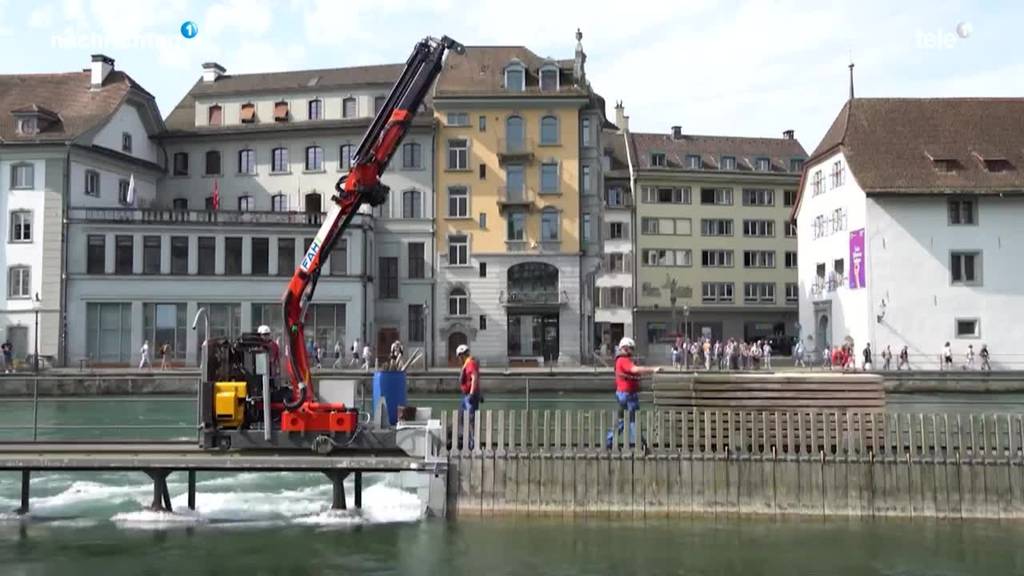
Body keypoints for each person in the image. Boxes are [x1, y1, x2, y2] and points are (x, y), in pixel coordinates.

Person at [606, 337, 660, 449]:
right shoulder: (623, 360)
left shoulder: (620, 360)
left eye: (631, 349)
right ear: (624, 348)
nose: (630, 351)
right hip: (628, 395)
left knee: (623, 420)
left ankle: (609, 441)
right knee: (633, 420)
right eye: (629, 348)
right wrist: (653, 369)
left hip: (622, 394)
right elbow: (634, 370)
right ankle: (641, 445)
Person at [456, 344, 481, 449]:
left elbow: (474, 377)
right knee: (461, 416)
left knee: (471, 420)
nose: (459, 359)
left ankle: (473, 444)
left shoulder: (470, 363)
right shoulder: (468, 363)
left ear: (462, 355)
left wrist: (472, 394)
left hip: (469, 396)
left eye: (459, 357)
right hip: (466, 395)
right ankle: (464, 440)